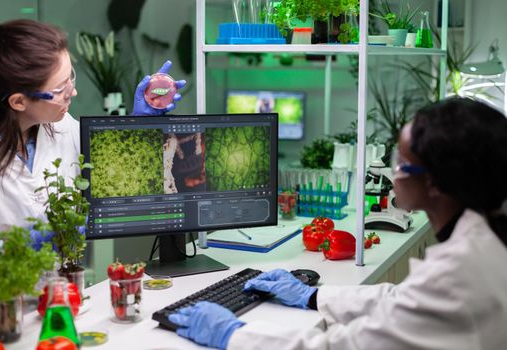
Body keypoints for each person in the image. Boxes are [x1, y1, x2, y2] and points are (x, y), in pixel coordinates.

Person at [168, 97, 507, 350]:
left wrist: (233, 334)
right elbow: (399, 300)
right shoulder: (486, 235)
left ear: (434, 182)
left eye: (400, 162)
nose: (392, 173)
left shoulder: (459, 274)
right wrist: (313, 296)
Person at [0, 12, 185, 230]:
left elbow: (111, 171)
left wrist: (139, 123)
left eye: (71, 78)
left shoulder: (62, 127)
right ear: (19, 102)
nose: (74, 92)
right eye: (62, 90)